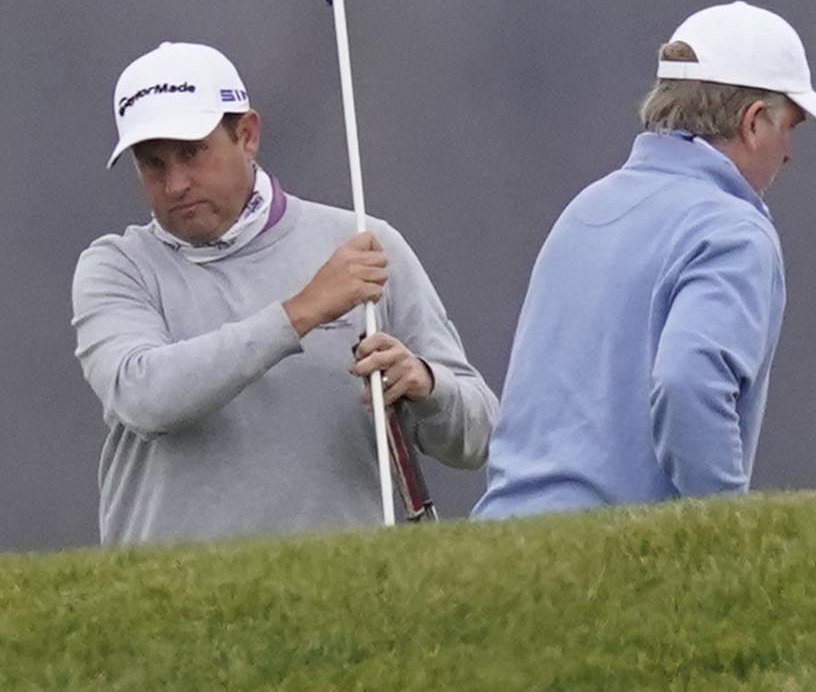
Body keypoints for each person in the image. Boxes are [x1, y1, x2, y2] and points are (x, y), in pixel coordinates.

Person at [73, 42, 498, 544]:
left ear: (247, 135)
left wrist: (426, 384)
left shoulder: (364, 245)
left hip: (351, 579)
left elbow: (481, 437)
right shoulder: (117, 266)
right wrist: (301, 312)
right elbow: (144, 397)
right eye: (153, 164)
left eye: (192, 152)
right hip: (173, 587)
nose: (175, 184)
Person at [473, 1, 816, 519]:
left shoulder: (587, 207)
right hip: (612, 552)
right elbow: (689, 384)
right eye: (790, 127)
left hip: (498, 535)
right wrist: (727, 528)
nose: (789, 151)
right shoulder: (734, 230)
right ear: (753, 123)